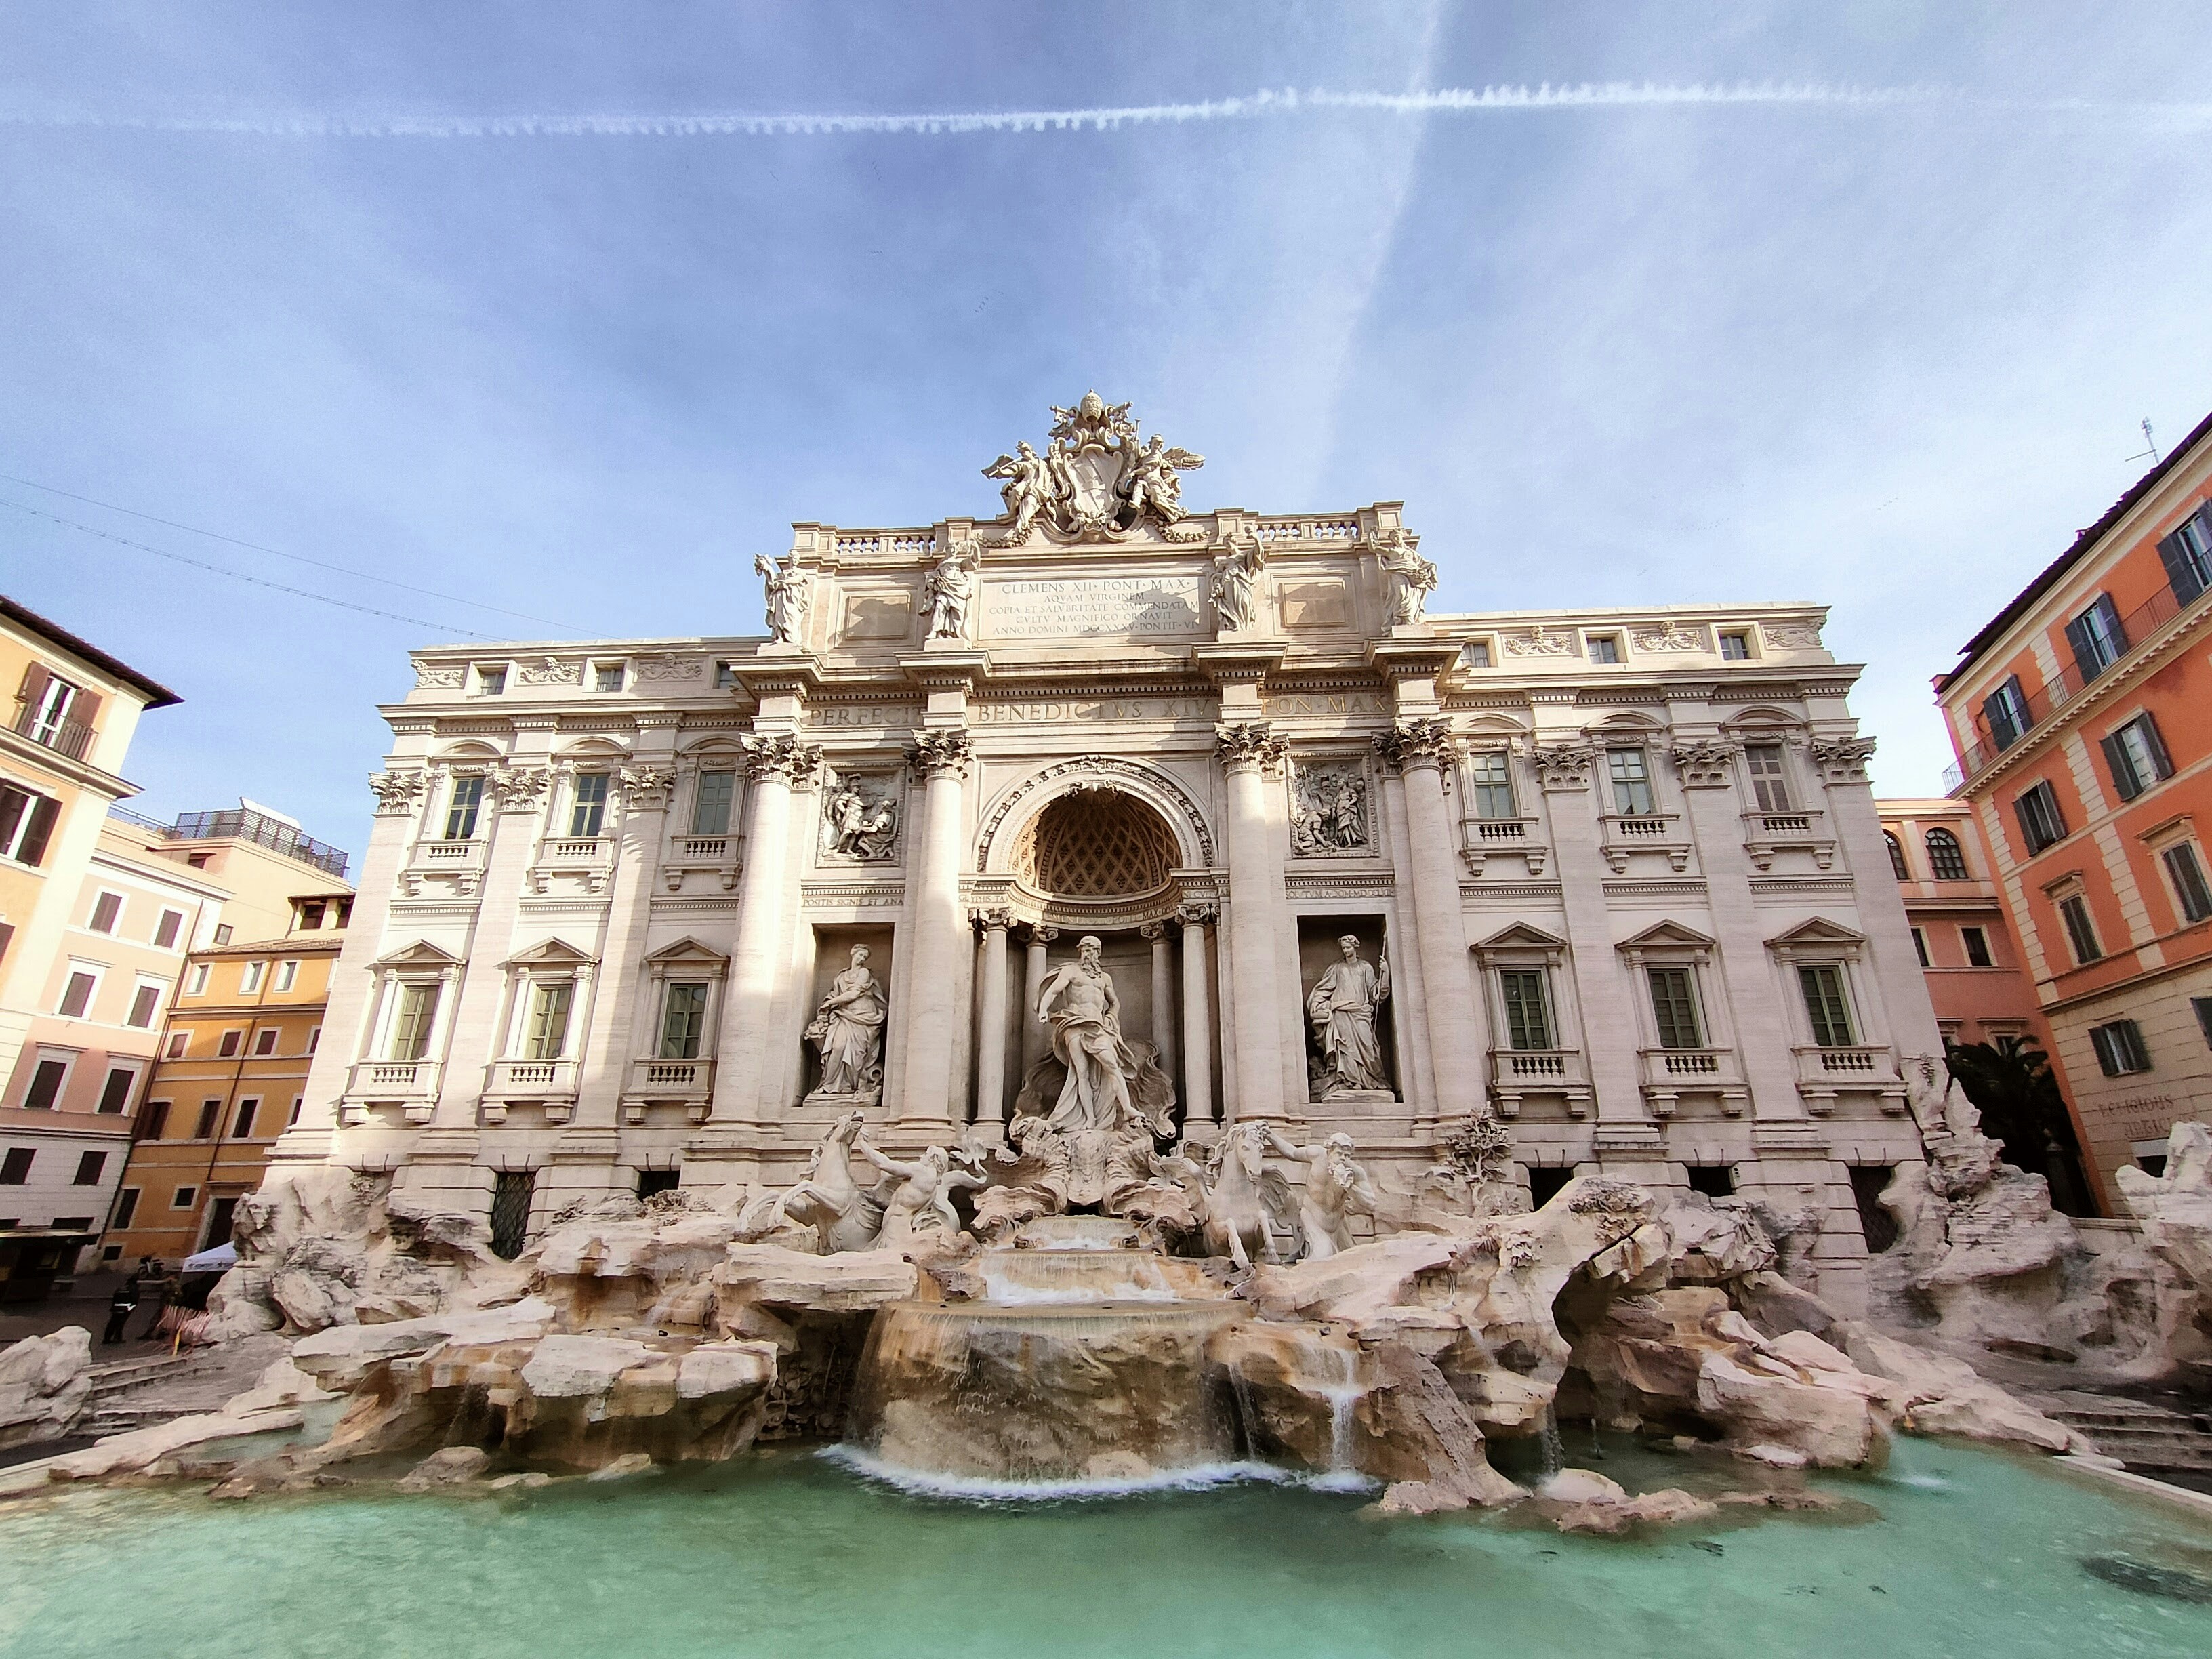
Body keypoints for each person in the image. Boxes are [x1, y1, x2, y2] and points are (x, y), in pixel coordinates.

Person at [102, 1269, 140, 1345]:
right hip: (125, 1308)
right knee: (120, 1324)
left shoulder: (122, 1287)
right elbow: (134, 1300)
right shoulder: (134, 1288)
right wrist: (131, 1308)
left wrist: (113, 1306)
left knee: (112, 1323)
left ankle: (107, 1339)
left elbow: (115, 1296)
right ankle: (117, 1338)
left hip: (116, 1308)